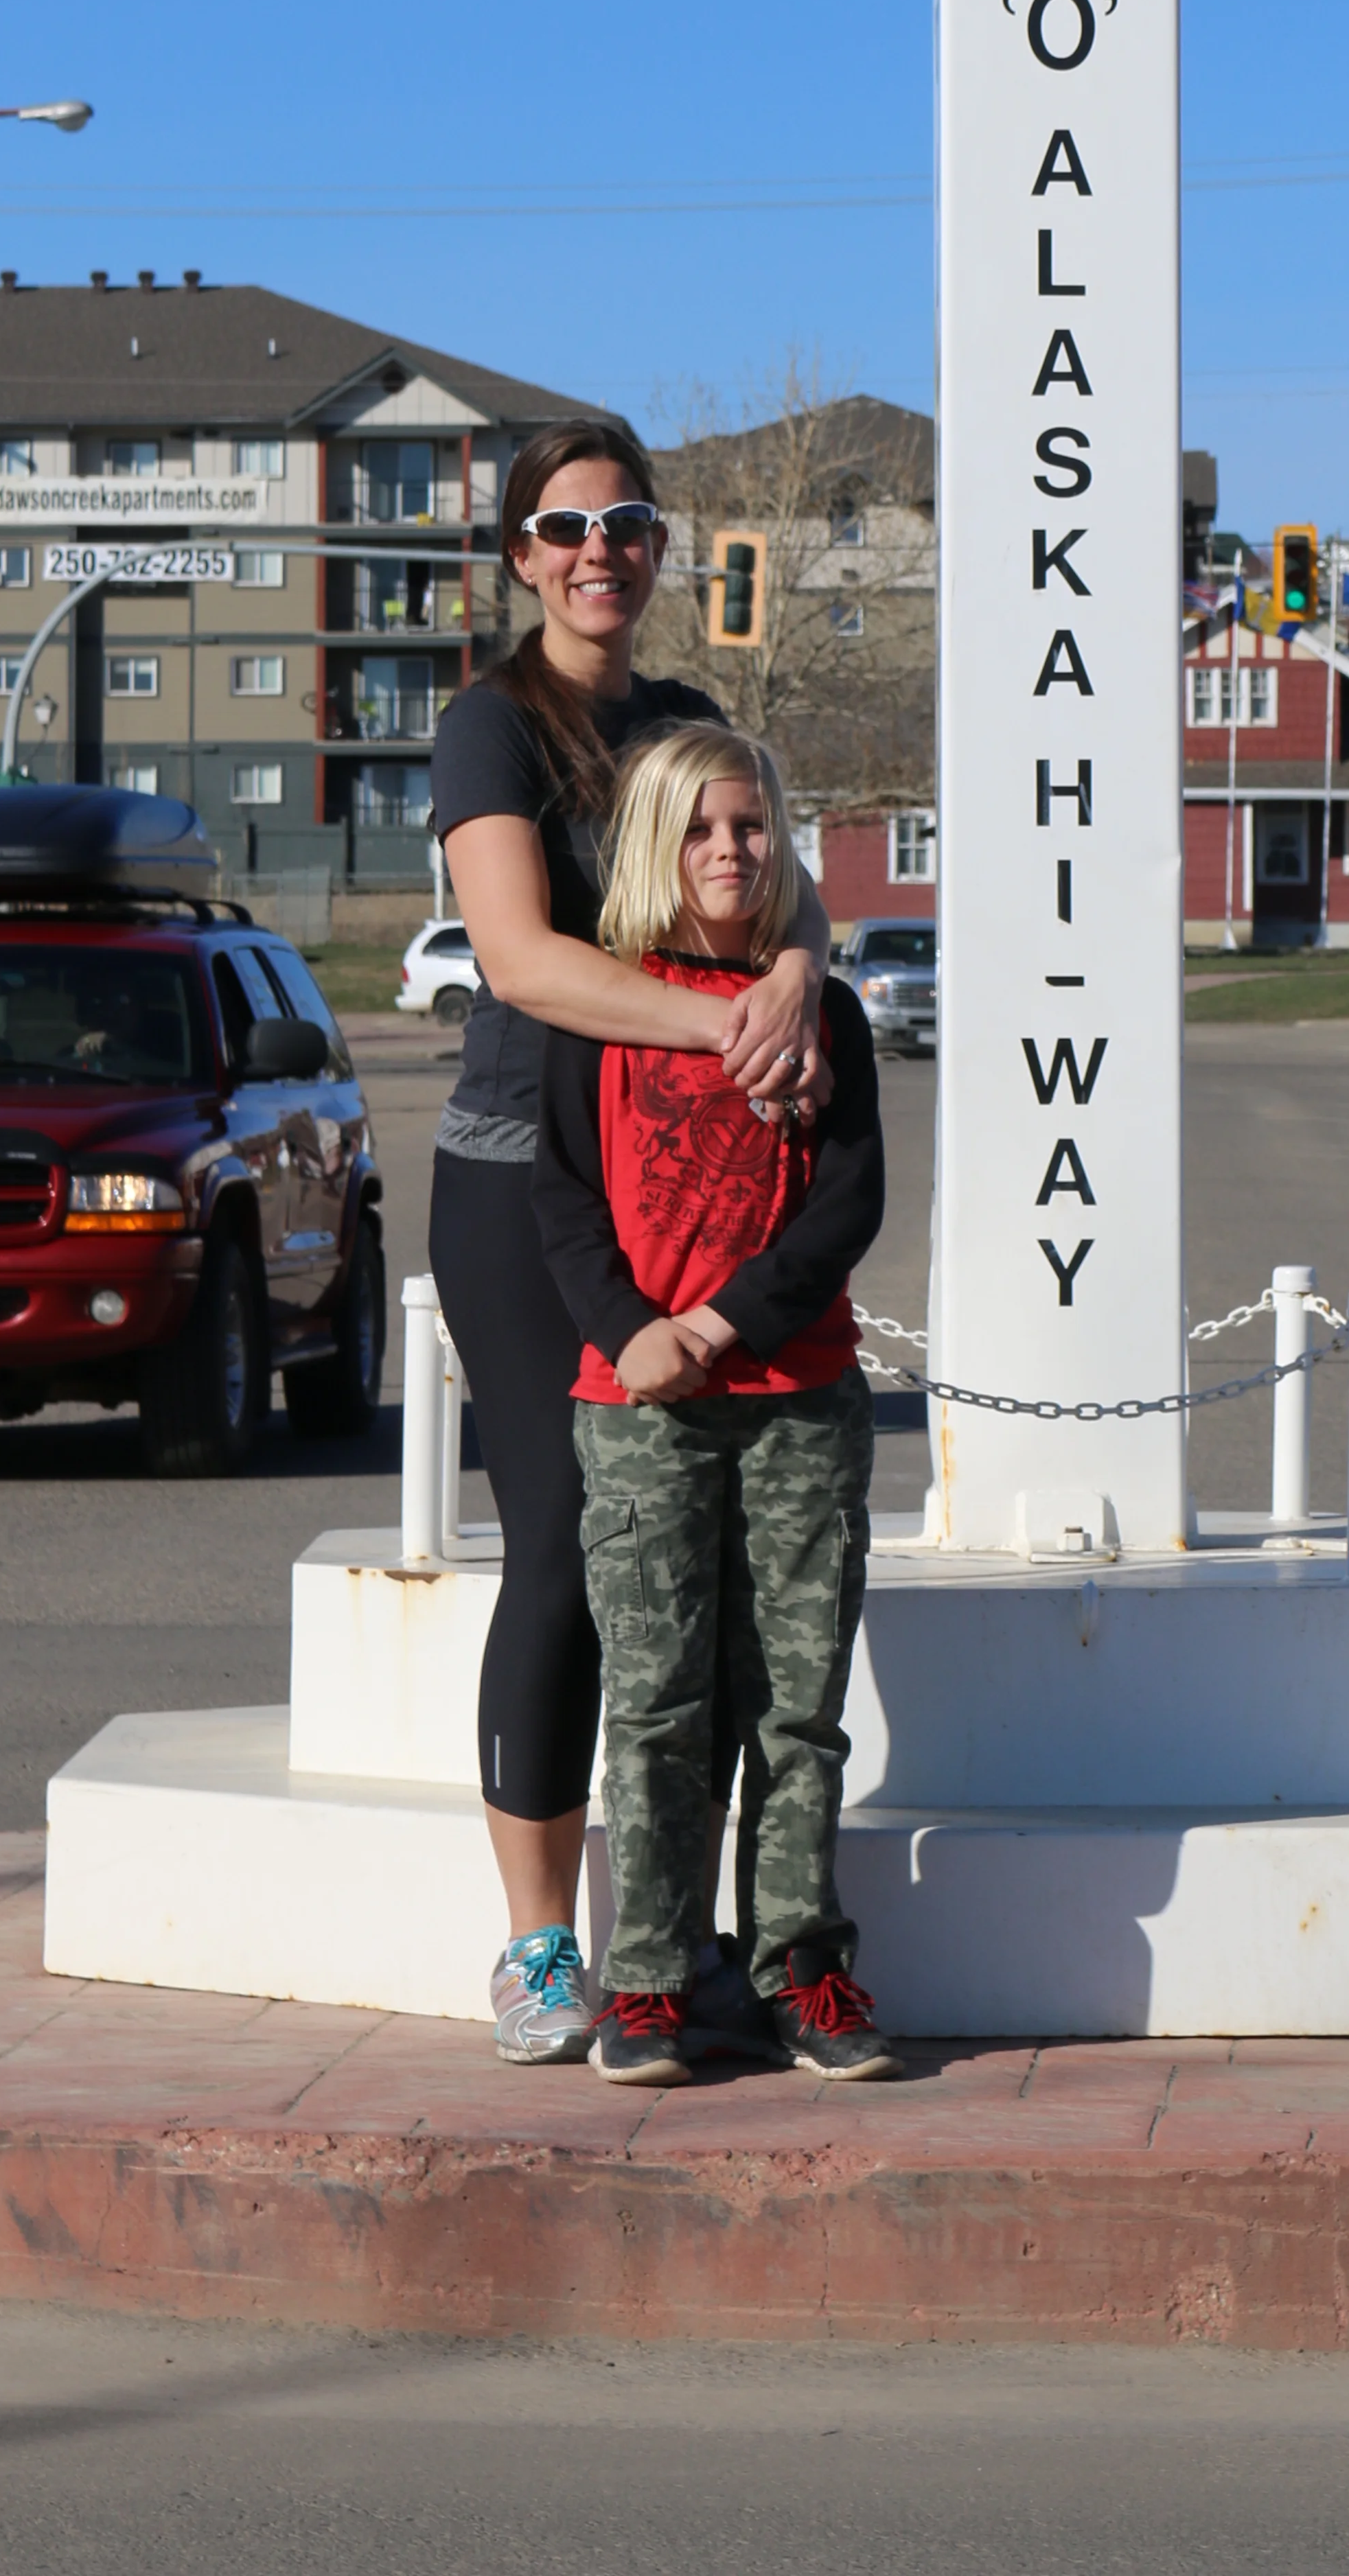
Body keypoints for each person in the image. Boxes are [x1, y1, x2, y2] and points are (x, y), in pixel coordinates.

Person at [428, 418, 831, 2065]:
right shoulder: (488, 727)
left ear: (662, 551)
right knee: (568, 1561)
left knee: (705, 1585)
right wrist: (715, 1014)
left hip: (690, 1186)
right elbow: (521, 961)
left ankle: (677, 1939)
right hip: (529, 1184)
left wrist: (799, 973)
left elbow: (775, 895)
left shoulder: (688, 726)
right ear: (522, 554)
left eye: (630, 525)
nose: (602, 552)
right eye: (566, 527)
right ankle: (539, 1947)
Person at [533, 721, 897, 2086]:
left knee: (794, 1705)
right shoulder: (602, 1010)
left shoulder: (825, 1018)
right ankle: (651, 1978)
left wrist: (724, 1321)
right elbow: (559, 1200)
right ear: (653, 847)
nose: (728, 851)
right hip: (639, 1413)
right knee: (658, 1703)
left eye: (748, 826)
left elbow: (848, 1202)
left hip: (799, 1401)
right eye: (698, 829)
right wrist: (633, 1333)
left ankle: (801, 1965)